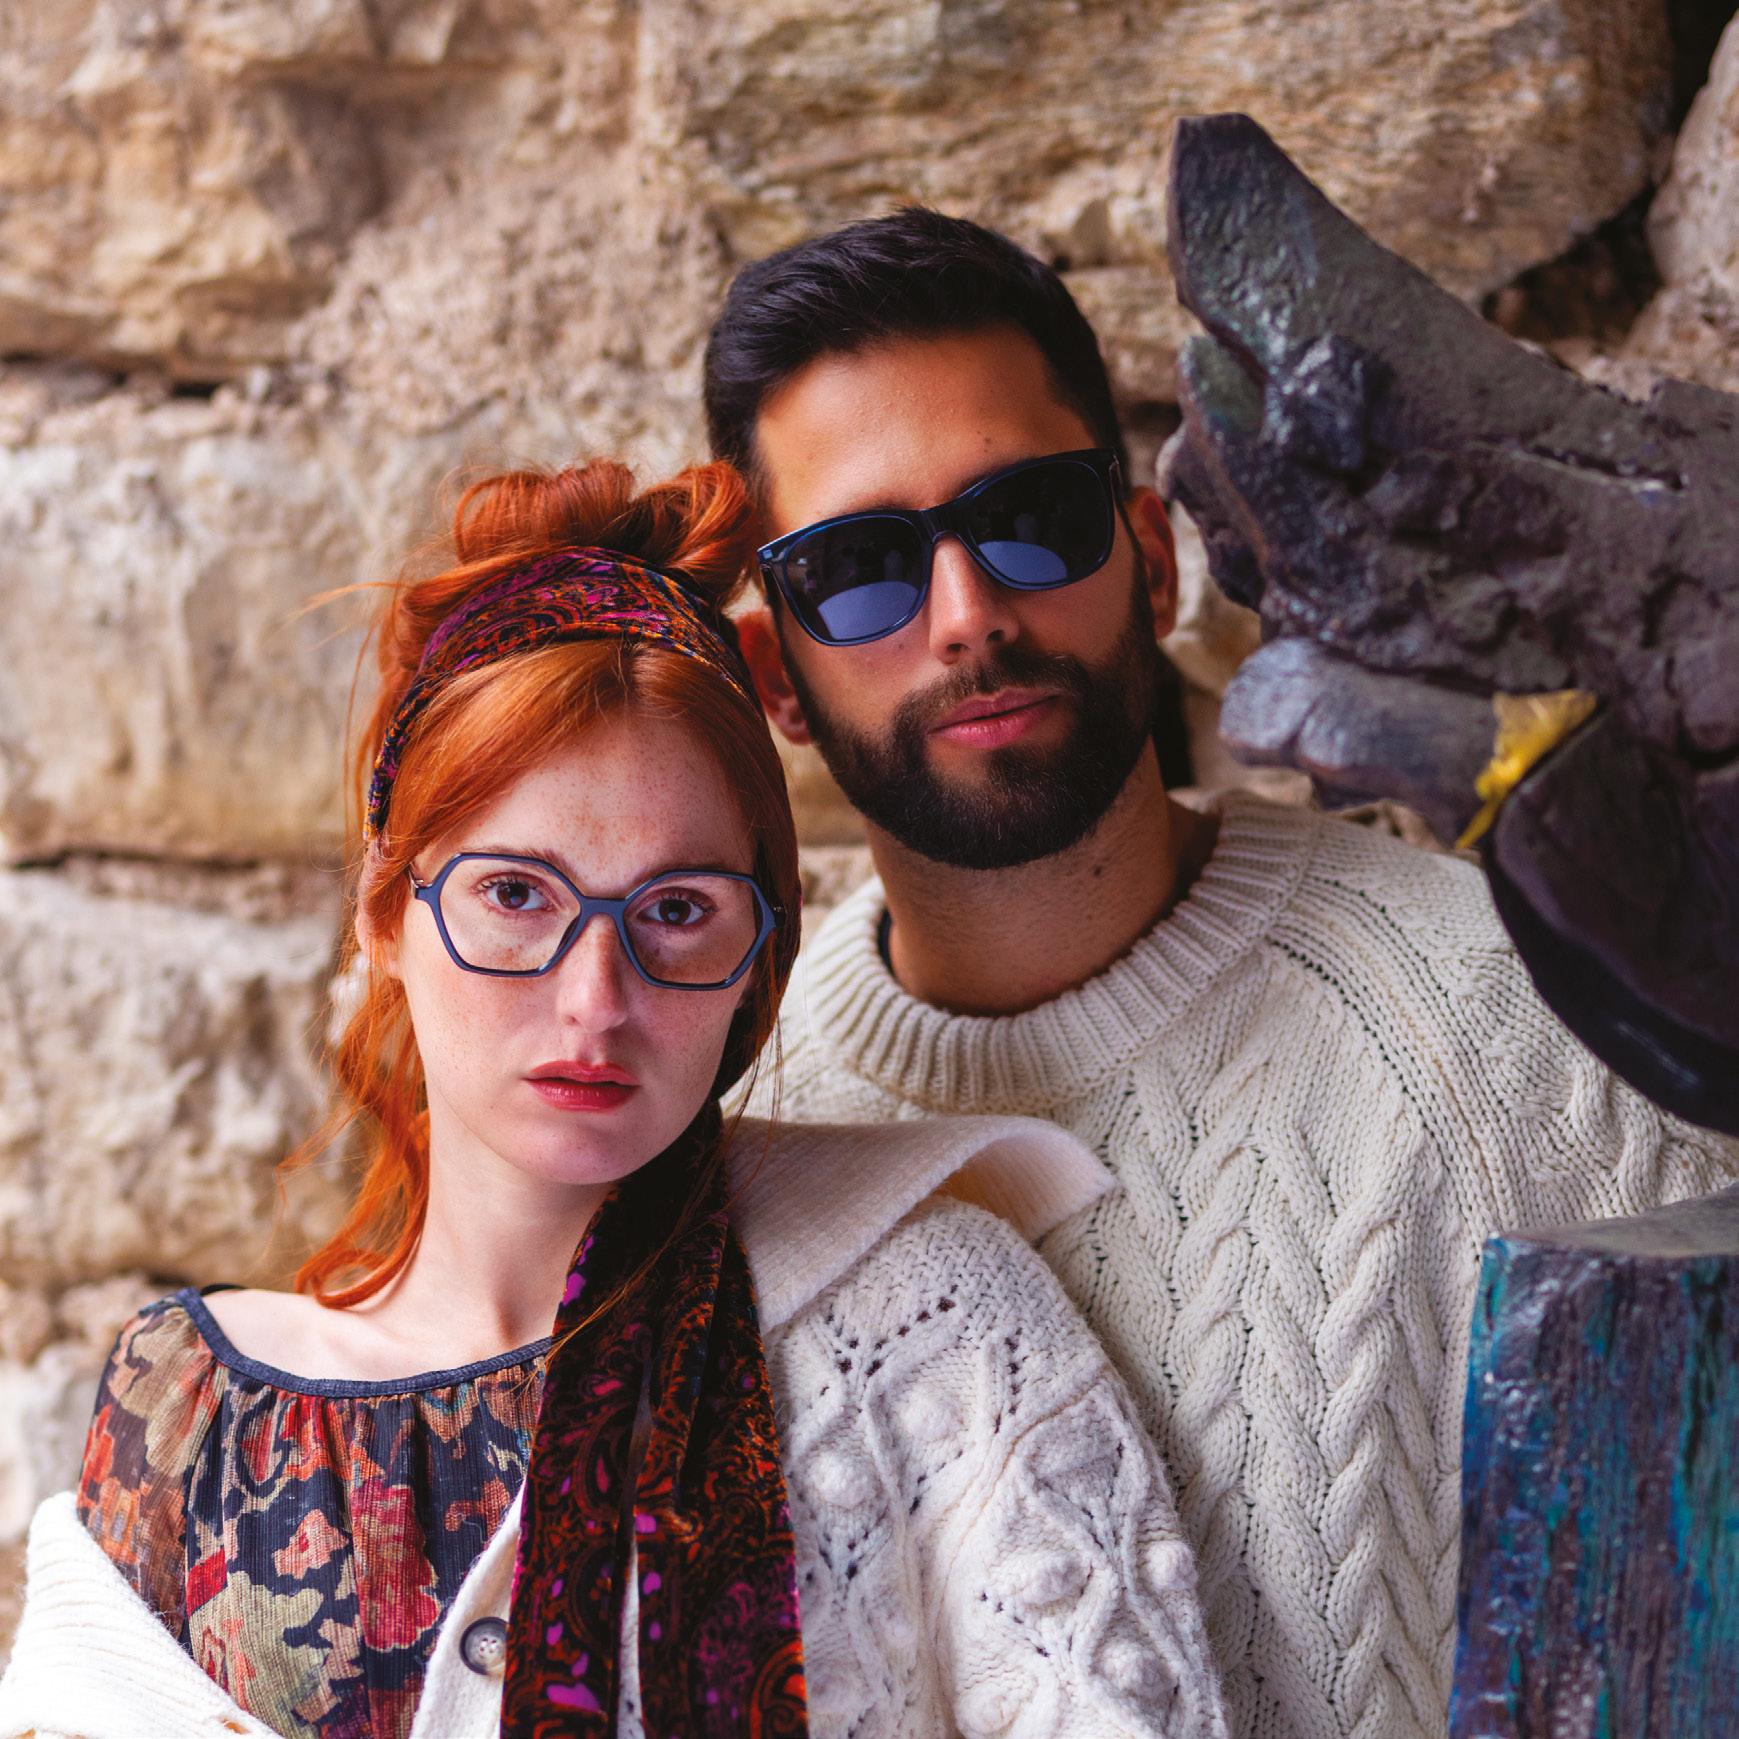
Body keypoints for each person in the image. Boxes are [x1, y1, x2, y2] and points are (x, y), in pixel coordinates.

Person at [701, 209, 1739, 1739]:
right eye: (856, 570)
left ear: (1148, 557)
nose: (965, 614)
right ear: (774, 676)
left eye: (1029, 516)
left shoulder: (1517, 1024)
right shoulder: (726, 1131)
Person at [0, 461, 1229, 1739]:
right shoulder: (188, 1402)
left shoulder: (933, 1331)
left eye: (678, 908)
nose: (596, 999)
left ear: (756, 953)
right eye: (514, 893)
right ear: (384, 913)